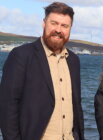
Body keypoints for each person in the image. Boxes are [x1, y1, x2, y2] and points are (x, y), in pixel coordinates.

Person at [0, 2, 84, 140]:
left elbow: (77, 106)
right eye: (54, 23)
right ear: (44, 23)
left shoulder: (74, 60)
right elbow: (7, 106)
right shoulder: (21, 55)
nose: (58, 29)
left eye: (64, 26)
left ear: (70, 29)